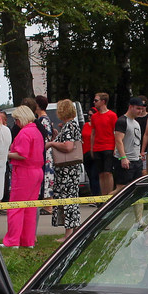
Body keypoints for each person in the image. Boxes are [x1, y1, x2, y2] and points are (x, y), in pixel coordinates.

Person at [2, 105, 44, 248]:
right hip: (37, 171)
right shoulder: (36, 132)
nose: (16, 123)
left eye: (16, 120)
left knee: (16, 206)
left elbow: (21, 154)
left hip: (25, 172)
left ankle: (13, 241)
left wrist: (4, 154)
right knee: (30, 207)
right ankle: (28, 241)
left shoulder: (24, 133)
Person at [49, 99, 85, 242]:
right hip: (71, 170)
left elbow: (68, 147)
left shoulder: (69, 126)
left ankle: (68, 234)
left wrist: (52, 143)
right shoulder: (72, 125)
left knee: (68, 199)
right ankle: (73, 231)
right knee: (71, 198)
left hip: (67, 170)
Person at [86, 92, 119, 195]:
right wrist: (92, 148)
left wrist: (115, 148)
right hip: (97, 147)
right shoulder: (95, 117)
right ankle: (103, 195)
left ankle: (109, 195)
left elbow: (116, 132)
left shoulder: (112, 115)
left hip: (108, 146)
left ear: (103, 102)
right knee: (101, 173)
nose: (94, 102)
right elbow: (93, 133)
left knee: (108, 172)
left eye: (96, 100)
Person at [113, 96, 145, 189]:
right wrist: (123, 157)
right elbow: (118, 140)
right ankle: (106, 202)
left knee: (135, 189)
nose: (140, 111)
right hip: (126, 160)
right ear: (131, 107)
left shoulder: (136, 123)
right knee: (121, 189)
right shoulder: (122, 121)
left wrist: (138, 155)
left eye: (141, 109)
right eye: (138, 108)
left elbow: (136, 140)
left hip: (136, 160)